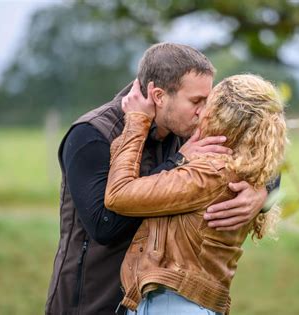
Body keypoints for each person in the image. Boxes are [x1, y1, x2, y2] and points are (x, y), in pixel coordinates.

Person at [45, 43, 272, 315]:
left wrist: (264, 193)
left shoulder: (188, 128)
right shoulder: (92, 135)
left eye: (207, 100)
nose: (204, 112)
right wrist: (176, 163)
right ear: (159, 95)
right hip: (89, 303)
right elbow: (104, 226)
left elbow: (259, 151)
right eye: (196, 101)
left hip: (150, 303)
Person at [105, 74, 287, 314]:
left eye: (208, 105)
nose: (200, 113)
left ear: (223, 116)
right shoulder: (248, 169)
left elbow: (118, 194)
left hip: (171, 303)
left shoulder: (212, 171)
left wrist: (137, 121)